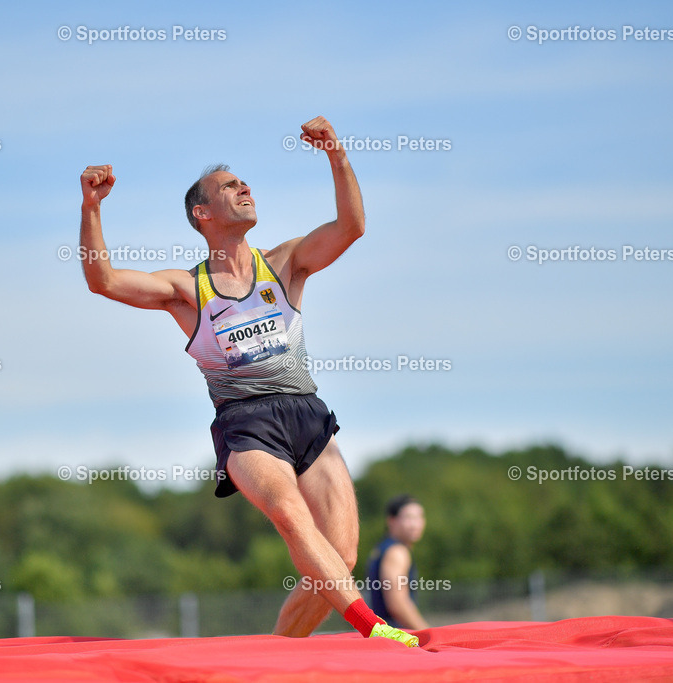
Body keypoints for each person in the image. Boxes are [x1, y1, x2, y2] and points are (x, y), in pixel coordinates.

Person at [78, 116, 418, 647]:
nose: (245, 189)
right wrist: (91, 208)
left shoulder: (283, 263)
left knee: (340, 558)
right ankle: (374, 629)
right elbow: (103, 280)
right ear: (203, 212)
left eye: (246, 184)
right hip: (247, 422)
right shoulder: (187, 287)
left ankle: (277, 659)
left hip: (307, 412)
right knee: (289, 514)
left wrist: (336, 154)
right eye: (231, 186)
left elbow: (351, 228)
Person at [366, 495, 430, 630]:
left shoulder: (381, 549)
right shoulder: (397, 552)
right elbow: (397, 604)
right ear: (391, 521)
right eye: (408, 518)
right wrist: (427, 634)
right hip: (396, 637)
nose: (415, 524)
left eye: (419, 517)